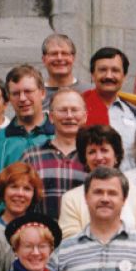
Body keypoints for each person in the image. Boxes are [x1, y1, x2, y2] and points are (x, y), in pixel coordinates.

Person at [0, 65, 55, 218]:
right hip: (5, 230)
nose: (22, 98)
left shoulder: (59, 136)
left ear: (42, 93)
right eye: (15, 93)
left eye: (28, 91)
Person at [57, 126, 136, 239]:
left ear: (116, 156)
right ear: (85, 159)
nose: (98, 157)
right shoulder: (71, 199)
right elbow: (71, 241)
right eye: (92, 152)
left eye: (104, 150)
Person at [20, 88, 87, 218]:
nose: (69, 116)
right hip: (42, 235)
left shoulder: (95, 158)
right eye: (62, 110)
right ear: (51, 117)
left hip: (83, 236)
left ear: (85, 116)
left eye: (74, 110)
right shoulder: (31, 157)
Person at [82, 46, 136, 167]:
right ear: (92, 75)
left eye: (115, 70)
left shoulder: (135, 114)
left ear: (124, 77)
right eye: (102, 70)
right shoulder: (78, 109)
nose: (109, 76)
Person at [0, 162, 45, 227]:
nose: (20, 193)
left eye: (27, 188)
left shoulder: (40, 231)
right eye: (14, 187)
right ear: (3, 190)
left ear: (34, 194)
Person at [41, 33, 80, 104]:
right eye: (54, 54)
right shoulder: (35, 95)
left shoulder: (91, 92)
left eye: (65, 53)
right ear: (44, 59)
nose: (59, 58)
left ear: (73, 58)